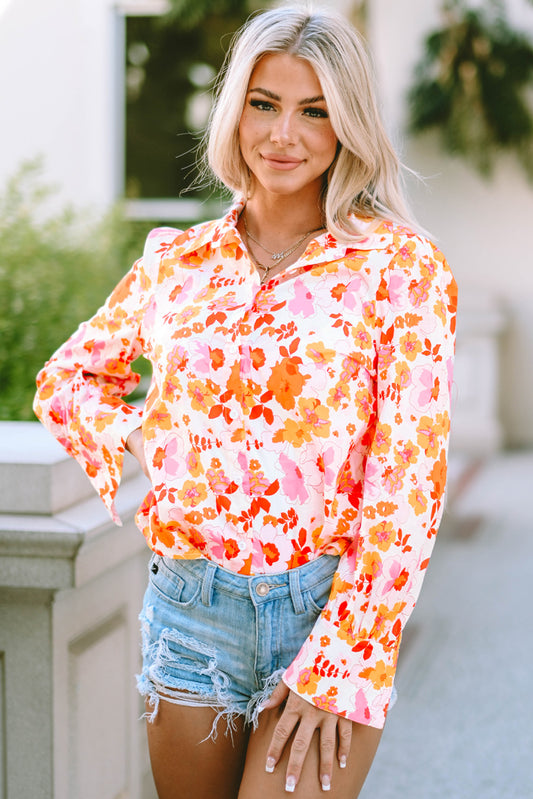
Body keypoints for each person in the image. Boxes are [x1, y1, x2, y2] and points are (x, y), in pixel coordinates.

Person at [33, 5, 457, 798]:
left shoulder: (401, 268)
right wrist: (144, 437)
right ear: (235, 111)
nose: (282, 135)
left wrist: (340, 655)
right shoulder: (178, 262)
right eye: (264, 104)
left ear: (348, 124)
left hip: (326, 609)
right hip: (190, 606)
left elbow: (406, 482)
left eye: (314, 111)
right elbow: (66, 379)